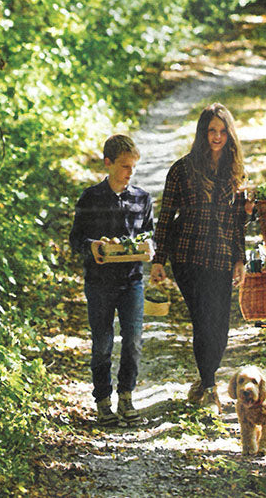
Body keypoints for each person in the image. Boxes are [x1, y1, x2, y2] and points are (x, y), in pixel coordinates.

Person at [150, 103, 250, 415]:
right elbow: (166, 217)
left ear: (229, 135)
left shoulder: (236, 173)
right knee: (203, 319)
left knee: (220, 325)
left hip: (221, 254)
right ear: (202, 133)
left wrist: (240, 259)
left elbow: (238, 223)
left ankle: (203, 381)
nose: (217, 136)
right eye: (211, 131)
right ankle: (209, 386)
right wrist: (159, 259)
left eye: (222, 131)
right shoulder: (182, 169)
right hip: (187, 254)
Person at [70, 134, 154, 426]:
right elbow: (76, 239)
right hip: (99, 282)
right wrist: (93, 246)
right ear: (108, 163)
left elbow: (148, 234)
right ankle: (103, 401)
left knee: (132, 341)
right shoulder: (91, 197)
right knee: (103, 342)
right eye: (124, 166)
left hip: (131, 280)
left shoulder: (142, 199)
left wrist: (148, 248)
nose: (129, 173)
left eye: (133, 167)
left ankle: (127, 396)